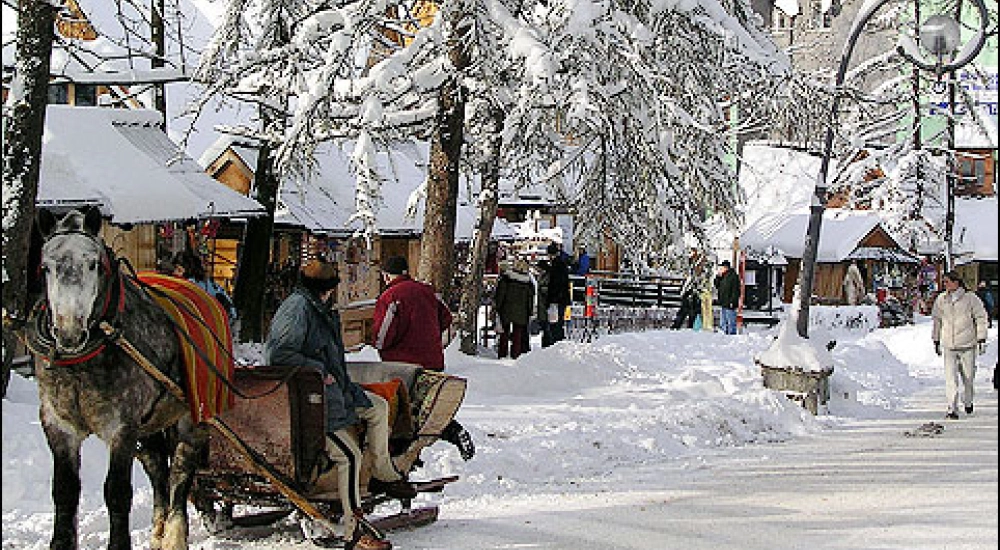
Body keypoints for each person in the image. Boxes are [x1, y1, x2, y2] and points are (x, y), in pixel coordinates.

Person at [266, 260, 413, 550]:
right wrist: (319, 372)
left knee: (378, 406)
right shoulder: (298, 309)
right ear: (326, 289)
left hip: (336, 394)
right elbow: (279, 355)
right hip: (310, 403)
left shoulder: (318, 307)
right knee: (350, 455)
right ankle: (353, 526)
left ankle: (382, 468)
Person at [372, 256, 475, 461]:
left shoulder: (390, 297)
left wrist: (384, 346)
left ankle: (407, 456)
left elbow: (382, 337)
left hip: (401, 366)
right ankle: (427, 445)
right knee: (430, 407)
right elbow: (446, 317)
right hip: (432, 360)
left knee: (402, 413)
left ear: (386, 276)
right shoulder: (427, 291)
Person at [931, 271, 988, 420]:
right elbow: (937, 320)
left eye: (948, 281)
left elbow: (981, 317)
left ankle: (968, 401)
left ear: (957, 282)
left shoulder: (970, 299)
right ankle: (952, 407)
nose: (945, 285)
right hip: (949, 345)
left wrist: (981, 337)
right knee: (950, 378)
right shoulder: (941, 300)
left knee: (968, 377)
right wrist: (936, 339)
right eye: (944, 282)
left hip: (967, 344)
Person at [494, 258, 535, 359]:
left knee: (504, 333)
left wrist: (498, 307)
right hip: (521, 312)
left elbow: (500, 294)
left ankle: (502, 353)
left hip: (506, 309)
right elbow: (530, 299)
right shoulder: (528, 282)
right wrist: (530, 311)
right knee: (517, 334)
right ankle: (515, 354)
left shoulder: (507, 278)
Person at [714, 260, 740, 335]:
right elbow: (716, 285)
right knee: (723, 320)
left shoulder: (733, 276)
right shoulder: (723, 276)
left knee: (731, 320)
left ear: (726, 267)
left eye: (722, 267)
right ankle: (724, 333)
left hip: (730, 303)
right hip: (723, 302)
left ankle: (732, 334)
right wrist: (718, 277)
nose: (721, 269)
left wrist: (733, 301)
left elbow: (736, 290)